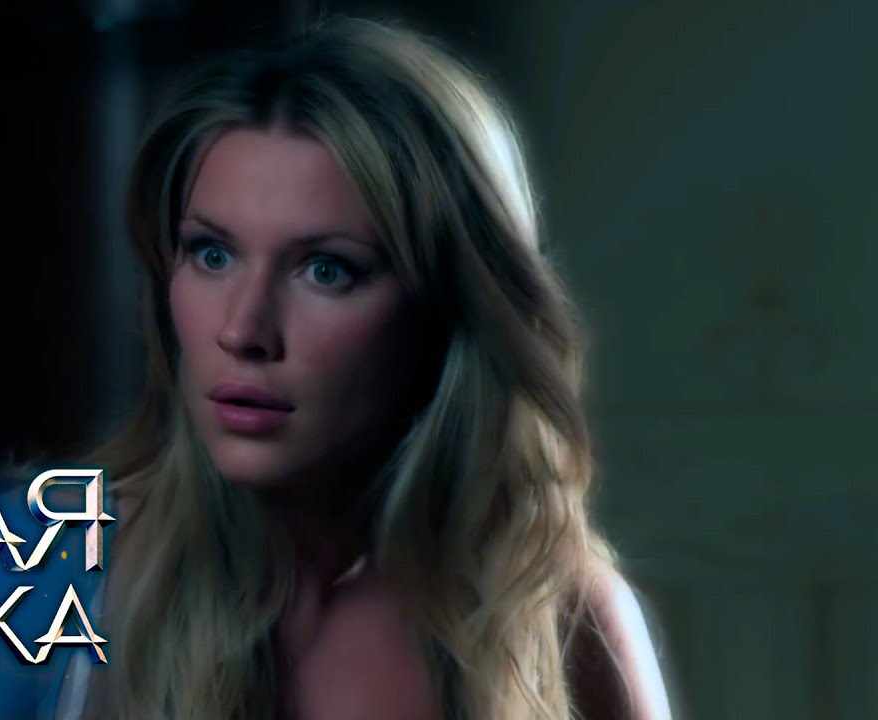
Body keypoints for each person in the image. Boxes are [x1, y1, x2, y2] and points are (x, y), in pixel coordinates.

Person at [48, 16, 673, 720]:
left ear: (455, 302)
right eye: (212, 254)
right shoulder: (58, 574)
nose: (243, 330)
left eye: (326, 270)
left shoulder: (560, 620)